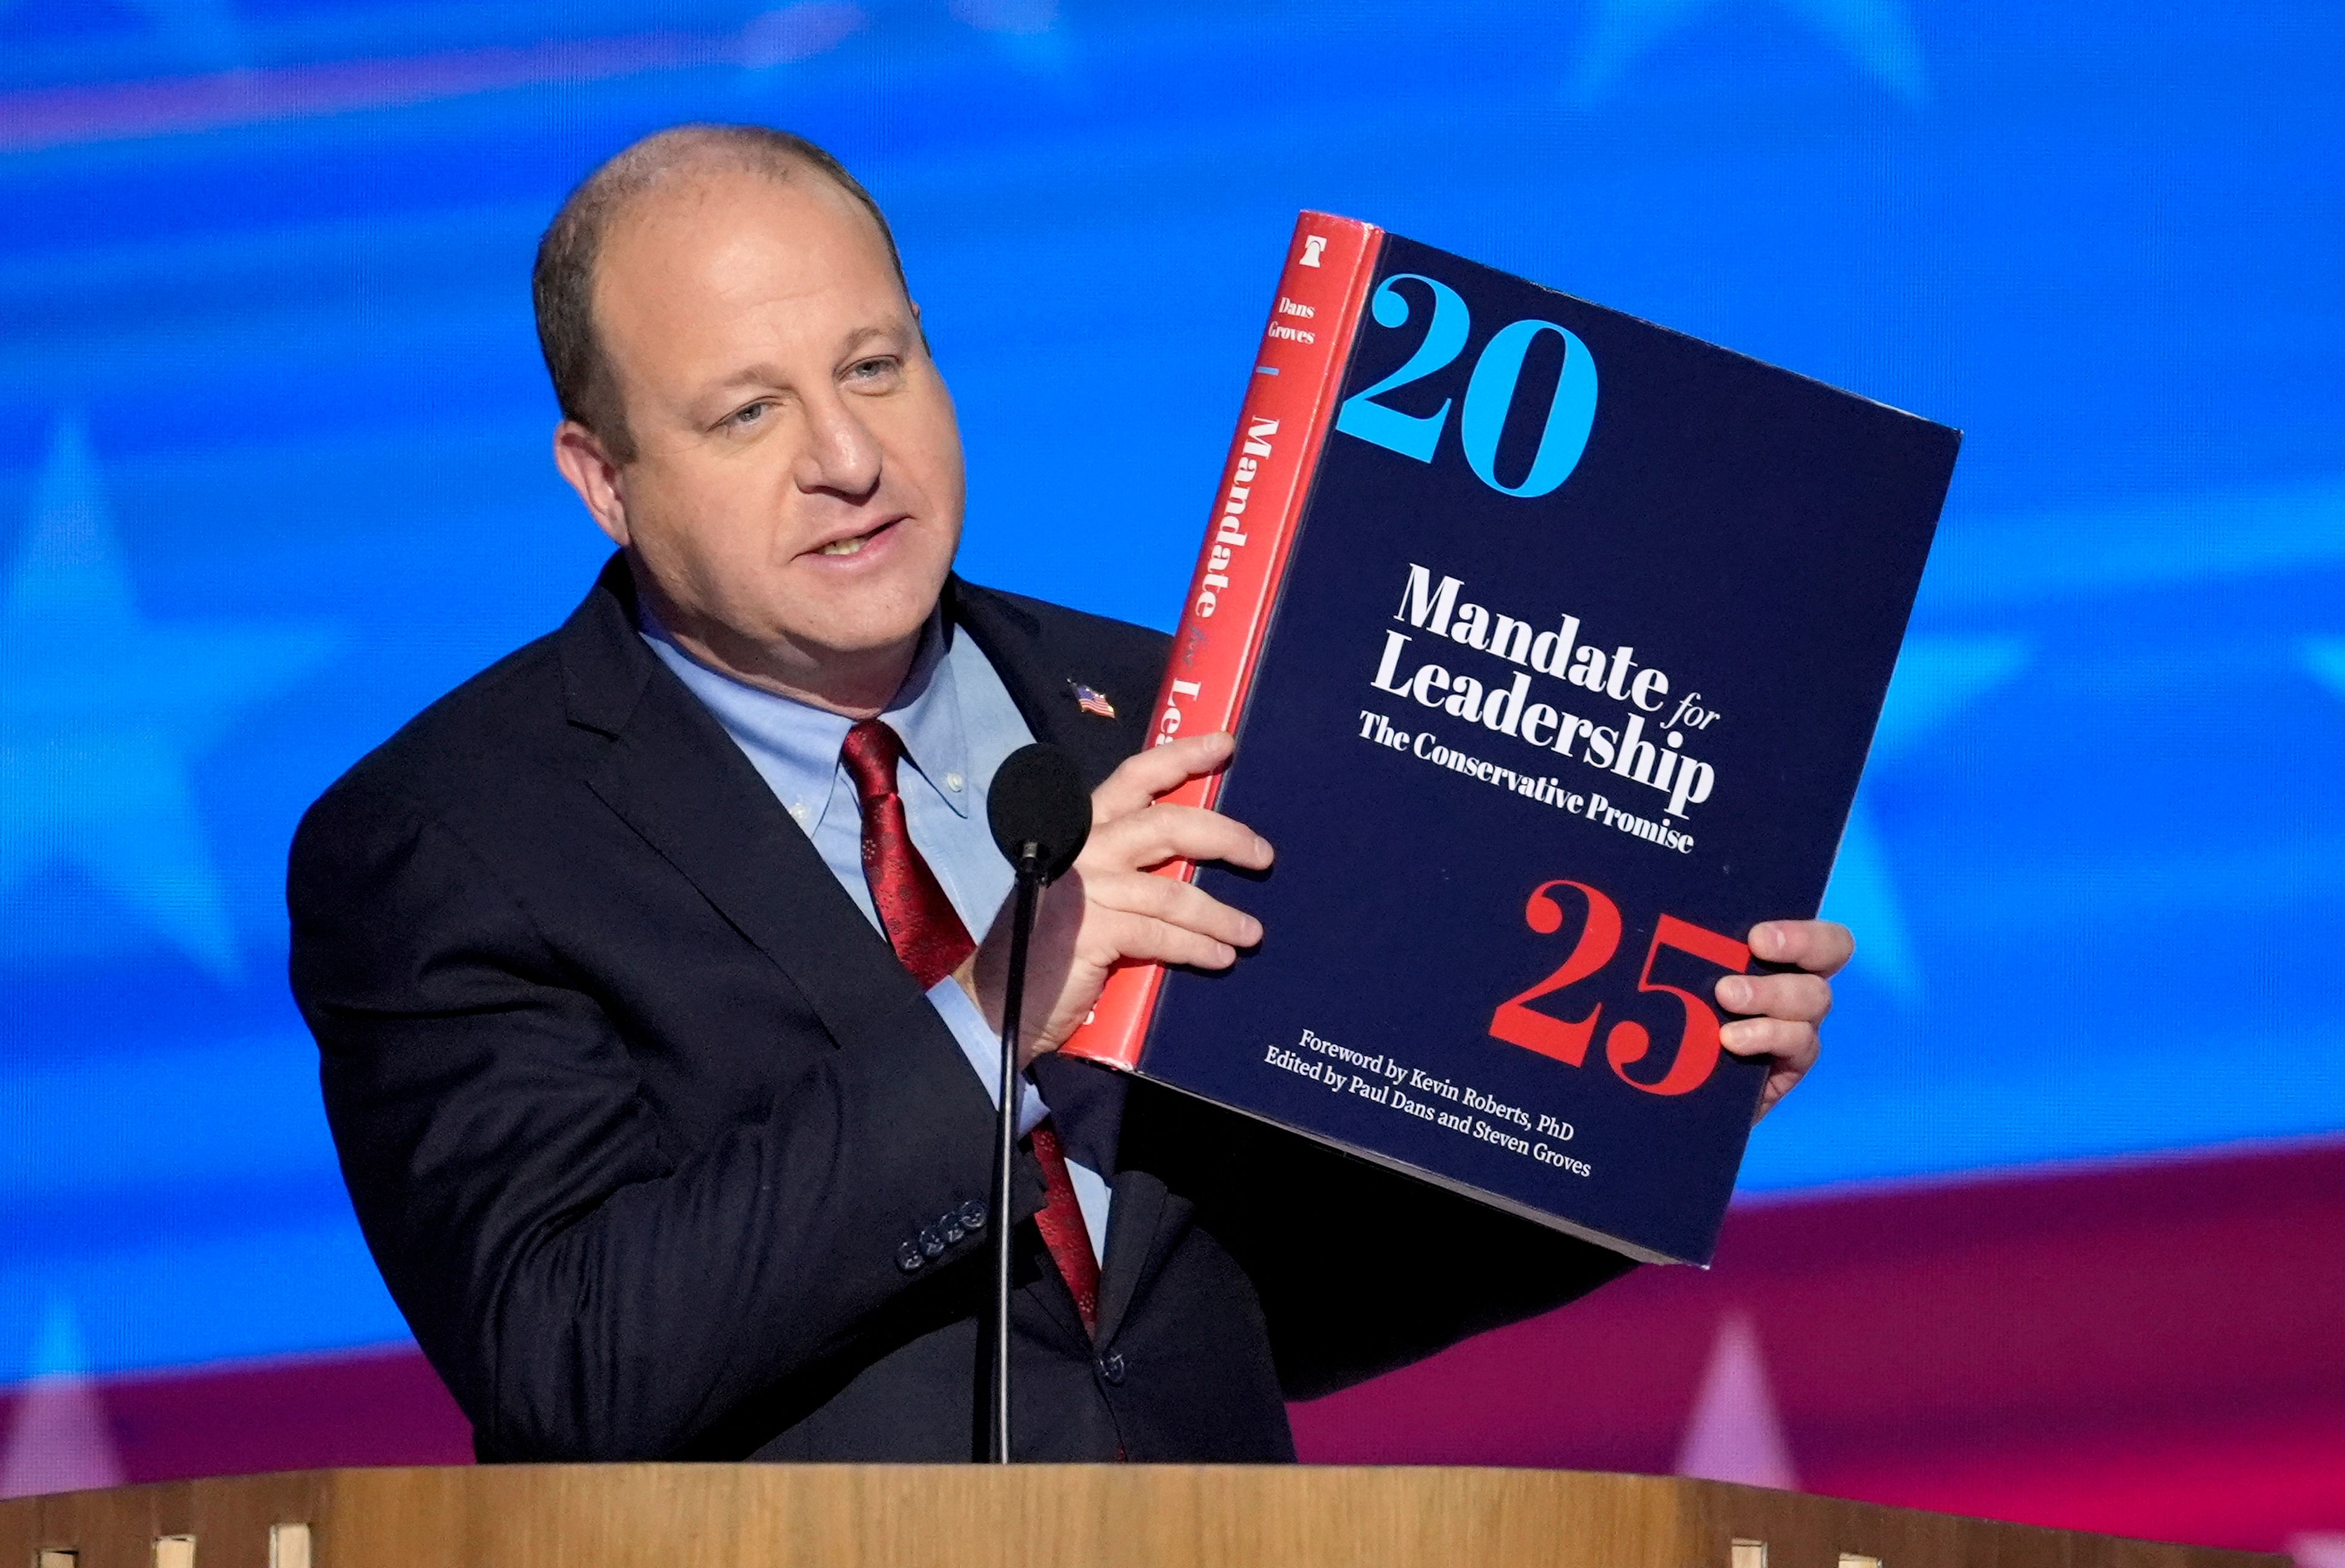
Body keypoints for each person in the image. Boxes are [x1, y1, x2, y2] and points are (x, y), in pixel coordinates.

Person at [286, 125, 1853, 1463]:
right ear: (601, 477)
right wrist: (990, 1024)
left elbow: (1283, 1292)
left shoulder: (1179, 708)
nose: (848, 454)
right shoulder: (450, 842)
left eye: (874, 365)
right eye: (746, 412)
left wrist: (1641, 1105)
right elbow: (572, 1362)